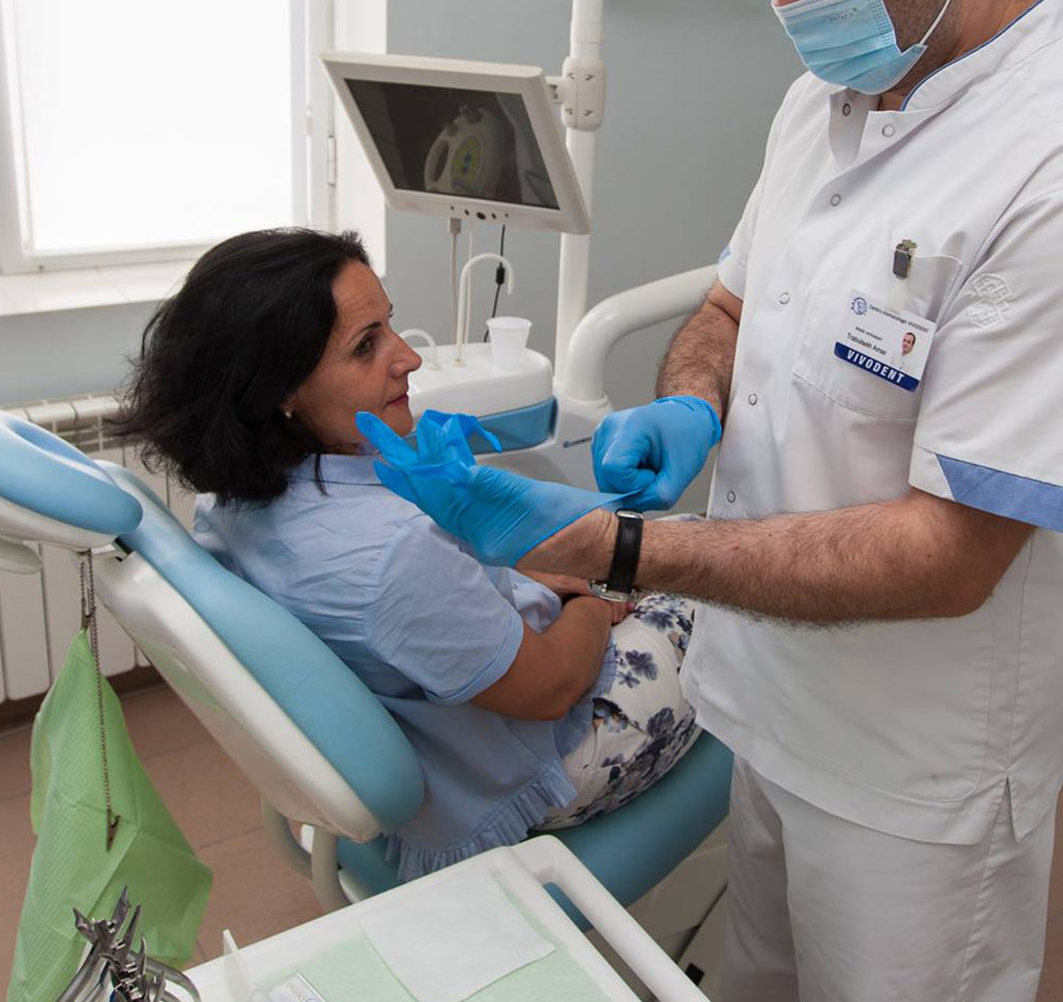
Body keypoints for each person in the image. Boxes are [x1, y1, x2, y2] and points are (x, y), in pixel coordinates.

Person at [368, 0, 1063, 1002]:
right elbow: (730, 299)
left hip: (913, 768)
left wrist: (614, 547)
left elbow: (947, 555)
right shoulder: (823, 101)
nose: (783, 1)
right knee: (758, 998)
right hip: (761, 695)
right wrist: (689, 400)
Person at [112, 228, 700, 879]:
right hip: (549, 763)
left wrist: (538, 572)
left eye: (390, 325)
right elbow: (551, 689)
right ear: (281, 391)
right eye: (366, 346)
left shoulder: (230, 507)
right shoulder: (391, 553)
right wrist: (599, 593)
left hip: (444, 738)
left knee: (662, 548)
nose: (409, 358)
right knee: (711, 566)